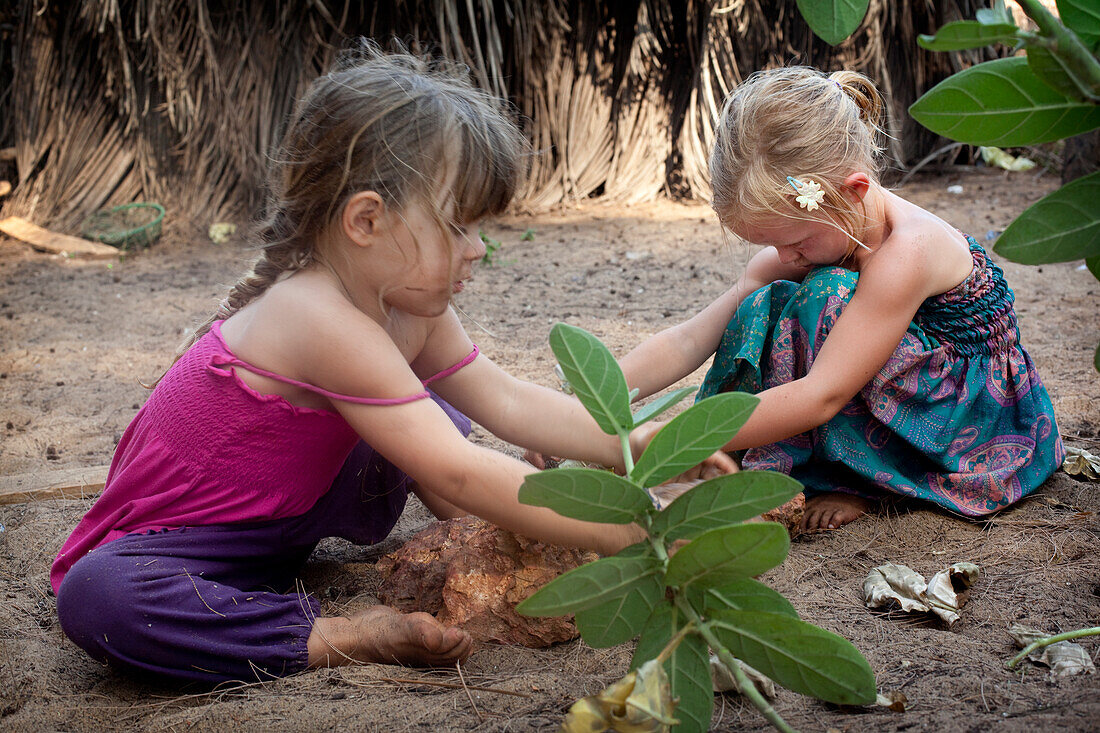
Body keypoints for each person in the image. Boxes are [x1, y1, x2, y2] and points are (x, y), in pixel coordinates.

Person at [50, 45, 735, 685]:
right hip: (180, 550)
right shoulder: (311, 313)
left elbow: (512, 400)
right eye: (459, 226)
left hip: (291, 519)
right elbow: (456, 470)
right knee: (97, 596)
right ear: (366, 221)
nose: (477, 250)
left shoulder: (410, 305)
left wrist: (642, 442)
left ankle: (480, 523)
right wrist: (639, 527)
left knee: (441, 403)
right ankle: (338, 634)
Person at [616, 66, 1064, 533]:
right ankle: (836, 468)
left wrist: (681, 440)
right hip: (878, 378)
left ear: (853, 192)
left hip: (960, 409)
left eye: (796, 241)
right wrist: (590, 402)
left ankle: (861, 481)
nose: (785, 256)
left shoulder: (906, 252)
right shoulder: (818, 236)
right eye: (769, 243)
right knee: (762, 301)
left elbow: (822, 394)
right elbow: (690, 339)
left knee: (825, 298)